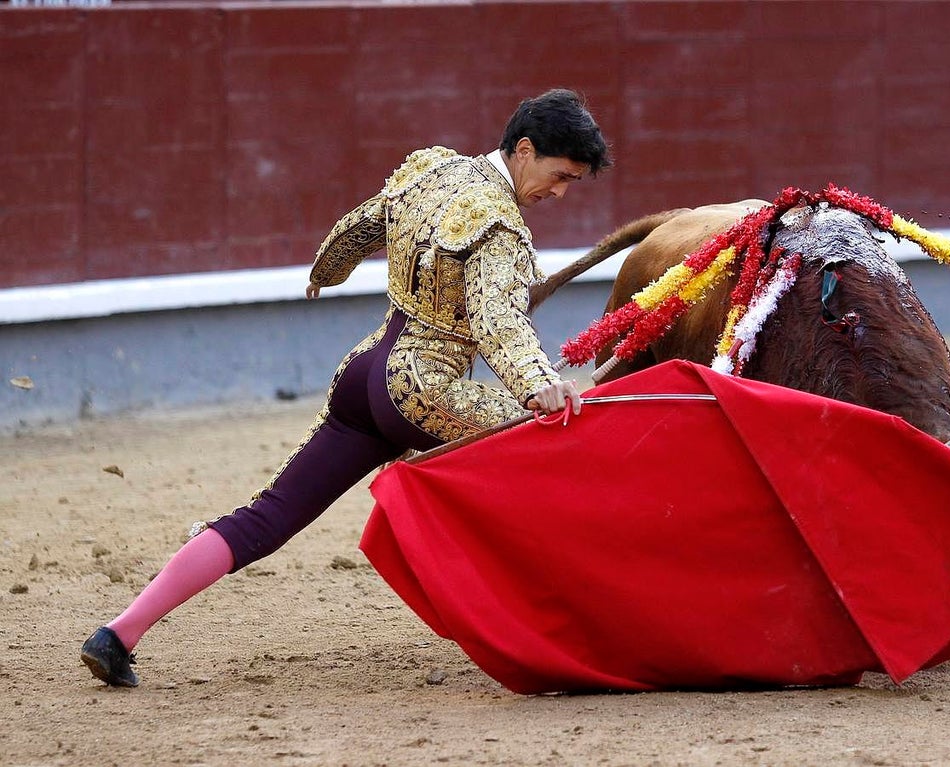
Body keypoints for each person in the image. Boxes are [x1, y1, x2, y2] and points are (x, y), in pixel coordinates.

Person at [81, 88, 612, 687]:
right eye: (559, 175)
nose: (560, 193)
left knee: (266, 515)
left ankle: (119, 633)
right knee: (556, 446)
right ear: (524, 150)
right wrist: (539, 384)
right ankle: (574, 625)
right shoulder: (500, 226)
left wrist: (324, 271)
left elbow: (366, 222)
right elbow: (499, 319)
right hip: (424, 389)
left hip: (363, 376)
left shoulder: (432, 169)